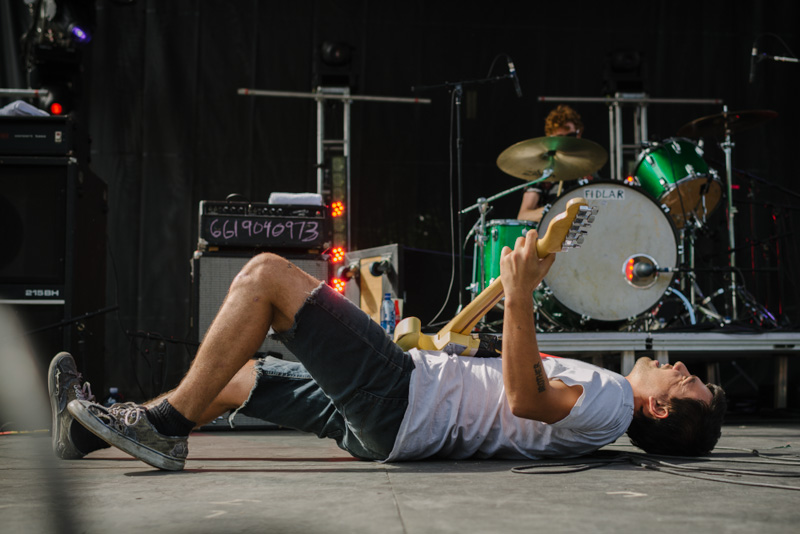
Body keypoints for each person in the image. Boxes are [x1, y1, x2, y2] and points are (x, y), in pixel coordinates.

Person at [51, 232, 726, 471]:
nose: (679, 366)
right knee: (241, 376)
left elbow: (525, 397)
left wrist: (520, 295)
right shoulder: (604, 403)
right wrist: (501, 323)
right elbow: (524, 384)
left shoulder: (611, 402)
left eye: (685, 380)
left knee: (265, 277)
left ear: (660, 410)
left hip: (405, 399)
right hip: (396, 424)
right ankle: (90, 432)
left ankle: (164, 428)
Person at [517, 104, 585, 223]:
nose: (566, 142)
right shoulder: (543, 173)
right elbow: (523, 215)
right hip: (550, 232)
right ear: (550, 138)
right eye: (560, 138)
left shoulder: (589, 169)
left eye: (571, 136)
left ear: (578, 135)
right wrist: (554, 210)